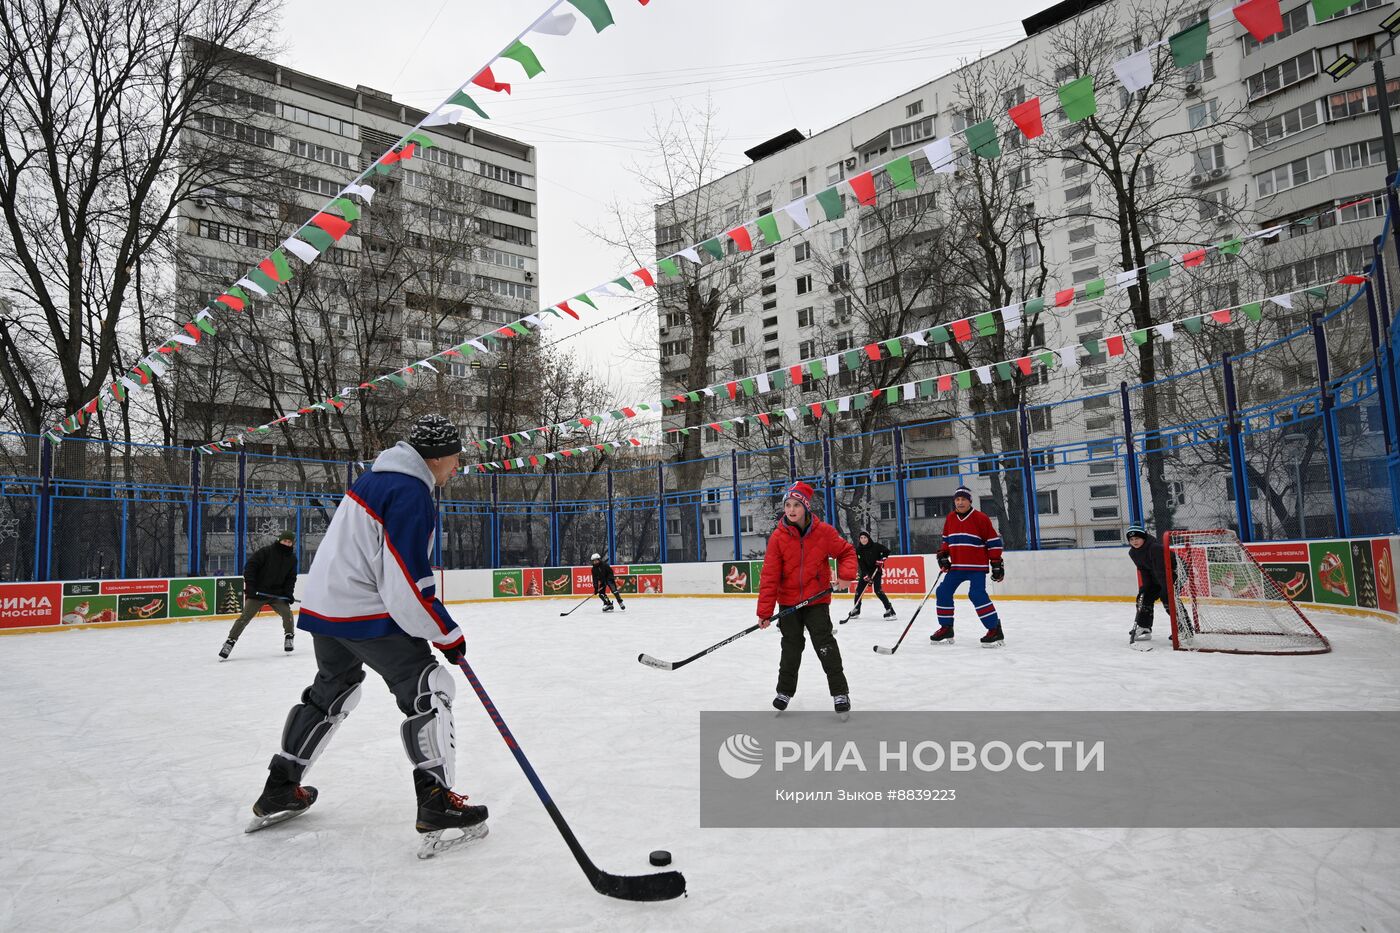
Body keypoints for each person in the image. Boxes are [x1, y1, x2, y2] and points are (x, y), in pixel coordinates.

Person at [245, 414, 487, 853]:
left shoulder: (376, 478)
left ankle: (280, 785)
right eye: (455, 458)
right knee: (429, 688)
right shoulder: (410, 491)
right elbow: (406, 580)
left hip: (326, 605)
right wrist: (445, 632)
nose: (457, 467)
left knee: (331, 692)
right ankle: (435, 802)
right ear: (437, 457)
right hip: (361, 608)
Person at [757, 481, 858, 714]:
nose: (791, 510)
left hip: (816, 600)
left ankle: (840, 692)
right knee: (790, 647)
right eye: (787, 505)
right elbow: (770, 577)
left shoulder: (823, 533)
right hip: (789, 602)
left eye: (796, 505)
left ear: (806, 507)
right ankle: (784, 691)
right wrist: (764, 613)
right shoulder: (778, 538)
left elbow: (846, 552)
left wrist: (845, 576)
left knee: (825, 644)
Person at [930, 486, 1006, 647]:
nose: (960, 502)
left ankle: (994, 629)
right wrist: (943, 555)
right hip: (957, 566)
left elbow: (993, 542)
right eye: (957, 499)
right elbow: (946, 540)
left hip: (976, 567)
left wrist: (996, 563)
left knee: (976, 594)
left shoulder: (981, 518)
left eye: (963, 499)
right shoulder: (950, 518)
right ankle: (946, 627)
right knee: (943, 591)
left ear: (970, 501)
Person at [220, 531, 299, 659]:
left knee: (287, 613)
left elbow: (291, 578)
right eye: (285, 541)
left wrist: (288, 593)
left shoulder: (292, 559)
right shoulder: (266, 552)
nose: (287, 543)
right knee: (244, 618)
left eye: (289, 542)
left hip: (276, 594)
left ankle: (289, 636)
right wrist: (250, 587)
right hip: (258, 593)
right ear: (279, 540)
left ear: (292, 544)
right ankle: (230, 641)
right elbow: (250, 567)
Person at [1126, 525, 1168, 643]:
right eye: (1131, 540)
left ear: (1143, 538)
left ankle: (1183, 629)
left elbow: (1162, 570)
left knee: (1167, 597)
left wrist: (1164, 588)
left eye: (1137, 538)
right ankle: (1144, 627)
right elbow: (1143, 570)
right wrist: (1145, 587)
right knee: (1143, 597)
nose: (1134, 542)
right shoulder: (1133, 553)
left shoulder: (1154, 548)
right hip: (1157, 576)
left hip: (1172, 573)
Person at [850, 530, 896, 620]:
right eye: (861, 538)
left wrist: (882, 559)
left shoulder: (876, 546)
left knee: (878, 591)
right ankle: (856, 609)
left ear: (868, 538)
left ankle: (890, 610)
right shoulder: (859, 549)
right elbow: (861, 564)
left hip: (876, 571)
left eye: (865, 538)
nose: (863, 540)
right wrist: (866, 575)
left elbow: (887, 551)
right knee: (859, 591)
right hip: (866, 572)